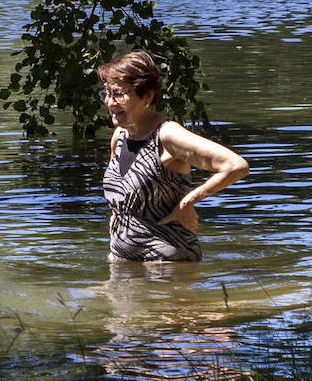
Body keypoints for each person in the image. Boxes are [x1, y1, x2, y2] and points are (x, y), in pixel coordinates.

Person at [99, 50, 249, 261]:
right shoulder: (120, 136)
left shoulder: (167, 135)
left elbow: (235, 166)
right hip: (124, 262)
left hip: (167, 262)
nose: (109, 102)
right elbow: (124, 193)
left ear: (147, 96)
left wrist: (187, 203)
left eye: (118, 94)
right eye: (106, 93)